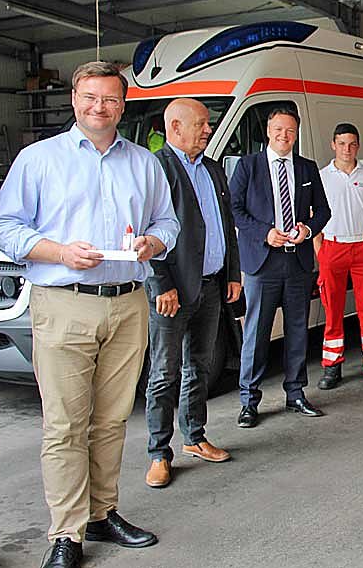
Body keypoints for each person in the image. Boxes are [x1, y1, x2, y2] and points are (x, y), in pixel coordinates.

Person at [0, 61, 179, 568]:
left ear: (123, 105)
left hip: (128, 302)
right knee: (65, 425)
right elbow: (3, 226)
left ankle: (102, 512)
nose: (100, 107)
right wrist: (58, 252)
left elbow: (168, 222)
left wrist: (153, 242)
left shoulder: (144, 162)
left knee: (111, 420)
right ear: (74, 100)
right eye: (90, 97)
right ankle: (66, 533)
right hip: (64, 301)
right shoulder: (39, 159)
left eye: (110, 99)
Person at [143, 98, 242, 488]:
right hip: (172, 291)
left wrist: (231, 274)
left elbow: (225, 224)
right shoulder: (158, 169)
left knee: (198, 366)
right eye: (200, 123)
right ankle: (158, 453)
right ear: (175, 127)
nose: (208, 129)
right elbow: (145, 232)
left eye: (207, 124)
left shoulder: (212, 169)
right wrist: (161, 283)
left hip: (211, 285)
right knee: (164, 373)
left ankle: (195, 437)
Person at [229, 107, 331, 428]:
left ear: (296, 134)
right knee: (257, 333)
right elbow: (234, 209)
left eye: (290, 130)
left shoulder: (306, 168)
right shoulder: (248, 166)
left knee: (298, 330)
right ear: (268, 131)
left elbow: (323, 211)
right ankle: (249, 401)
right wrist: (264, 233)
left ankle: (296, 394)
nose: (284, 135)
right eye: (278, 129)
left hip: (297, 261)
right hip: (262, 263)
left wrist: (308, 229)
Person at [315, 123, 363, 389]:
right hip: (333, 246)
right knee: (332, 310)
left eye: (352, 144)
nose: (347, 149)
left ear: (358, 146)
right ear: (333, 145)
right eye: (341, 144)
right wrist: (321, 253)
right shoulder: (321, 177)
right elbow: (314, 218)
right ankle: (332, 367)